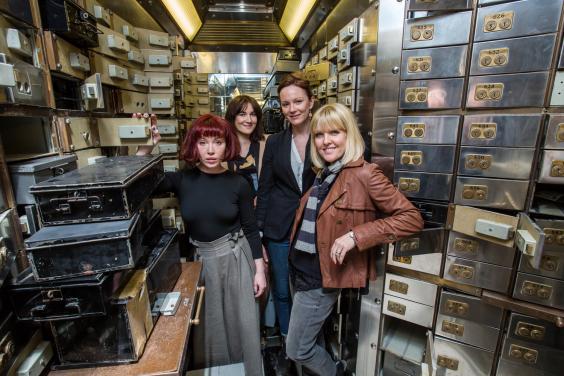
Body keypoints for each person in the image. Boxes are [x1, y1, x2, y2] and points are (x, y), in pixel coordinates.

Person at [285, 103, 424, 376]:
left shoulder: (365, 173)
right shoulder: (325, 172)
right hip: (301, 270)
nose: (326, 141)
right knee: (309, 340)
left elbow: (411, 218)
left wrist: (355, 236)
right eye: (319, 135)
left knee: (297, 349)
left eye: (334, 133)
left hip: (319, 278)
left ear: (349, 135)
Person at [137, 114, 266, 375]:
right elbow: (140, 181)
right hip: (200, 262)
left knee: (242, 323)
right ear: (193, 145)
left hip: (236, 259)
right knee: (207, 326)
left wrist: (260, 271)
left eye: (217, 142)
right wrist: (146, 146)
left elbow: (251, 230)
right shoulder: (182, 180)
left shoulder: (238, 184)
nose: (210, 150)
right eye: (203, 142)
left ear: (226, 145)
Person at [255, 73, 317, 341]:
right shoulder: (275, 142)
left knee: (311, 293)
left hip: (315, 229)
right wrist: (259, 233)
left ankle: (307, 345)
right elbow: (265, 189)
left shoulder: (326, 136)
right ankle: (286, 343)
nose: (292, 109)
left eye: (298, 101)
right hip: (279, 229)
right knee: (282, 291)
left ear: (311, 102)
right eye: (286, 104)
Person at [224, 95, 266, 198]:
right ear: (232, 117)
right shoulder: (222, 147)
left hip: (260, 209)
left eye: (253, 114)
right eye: (242, 114)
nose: (249, 120)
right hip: (232, 210)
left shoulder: (266, 144)